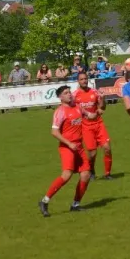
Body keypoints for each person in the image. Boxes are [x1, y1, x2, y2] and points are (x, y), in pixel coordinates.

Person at [38, 85, 95, 217]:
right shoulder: (60, 111)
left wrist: (99, 108)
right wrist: (69, 143)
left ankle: (75, 204)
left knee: (85, 175)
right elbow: (54, 132)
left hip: (79, 147)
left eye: (69, 92)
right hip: (67, 147)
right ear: (60, 97)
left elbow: (90, 115)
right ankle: (44, 201)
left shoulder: (77, 107)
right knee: (66, 175)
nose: (69, 94)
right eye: (66, 93)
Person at [72, 72, 112, 180]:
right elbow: (73, 110)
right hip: (86, 126)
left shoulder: (94, 92)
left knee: (107, 148)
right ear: (78, 81)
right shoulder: (75, 95)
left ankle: (108, 174)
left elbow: (102, 108)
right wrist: (85, 113)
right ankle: (92, 170)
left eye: (85, 79)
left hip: (99, 124)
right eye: (81, 79)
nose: (84, 81)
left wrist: (102, 100)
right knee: (92, 154)